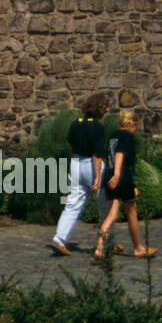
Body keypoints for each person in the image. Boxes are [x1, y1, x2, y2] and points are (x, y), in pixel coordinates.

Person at [50, 93, 111, 256]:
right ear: (100, 109)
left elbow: (71, 146)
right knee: (104, 205)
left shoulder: (75, 123)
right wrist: (98, 177)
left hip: (76, 163)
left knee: (72, 204)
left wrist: (72, 164)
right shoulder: (97, 127)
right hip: (91, 165)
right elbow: (97, 154)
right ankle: (106, 242)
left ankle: (60, 237)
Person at [93, 109, 155, 260]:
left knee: (112, 214)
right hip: (120, 176)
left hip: (109, 174)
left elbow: (105, 155)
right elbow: (120, 154)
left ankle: (100, 248)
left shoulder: (113, 136)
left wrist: (107, 176)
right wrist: (118, 175)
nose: (137, 128)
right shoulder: (127, 136)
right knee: (131, 212)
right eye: (136, 124)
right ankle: (138, 248)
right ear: (132, 123)